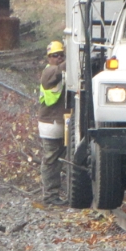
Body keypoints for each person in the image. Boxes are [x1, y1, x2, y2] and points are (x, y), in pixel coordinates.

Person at [38, 40, 67, 207]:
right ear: (49, 58)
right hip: (50, 123)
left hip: (60, 123)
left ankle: (57, 194)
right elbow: (61, 69)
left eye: (61, 55)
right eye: (55, 55)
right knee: (50, 161)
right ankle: (50, 196)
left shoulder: (60, 72)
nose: (58, 58)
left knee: (61, 160)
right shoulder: (49, 72)